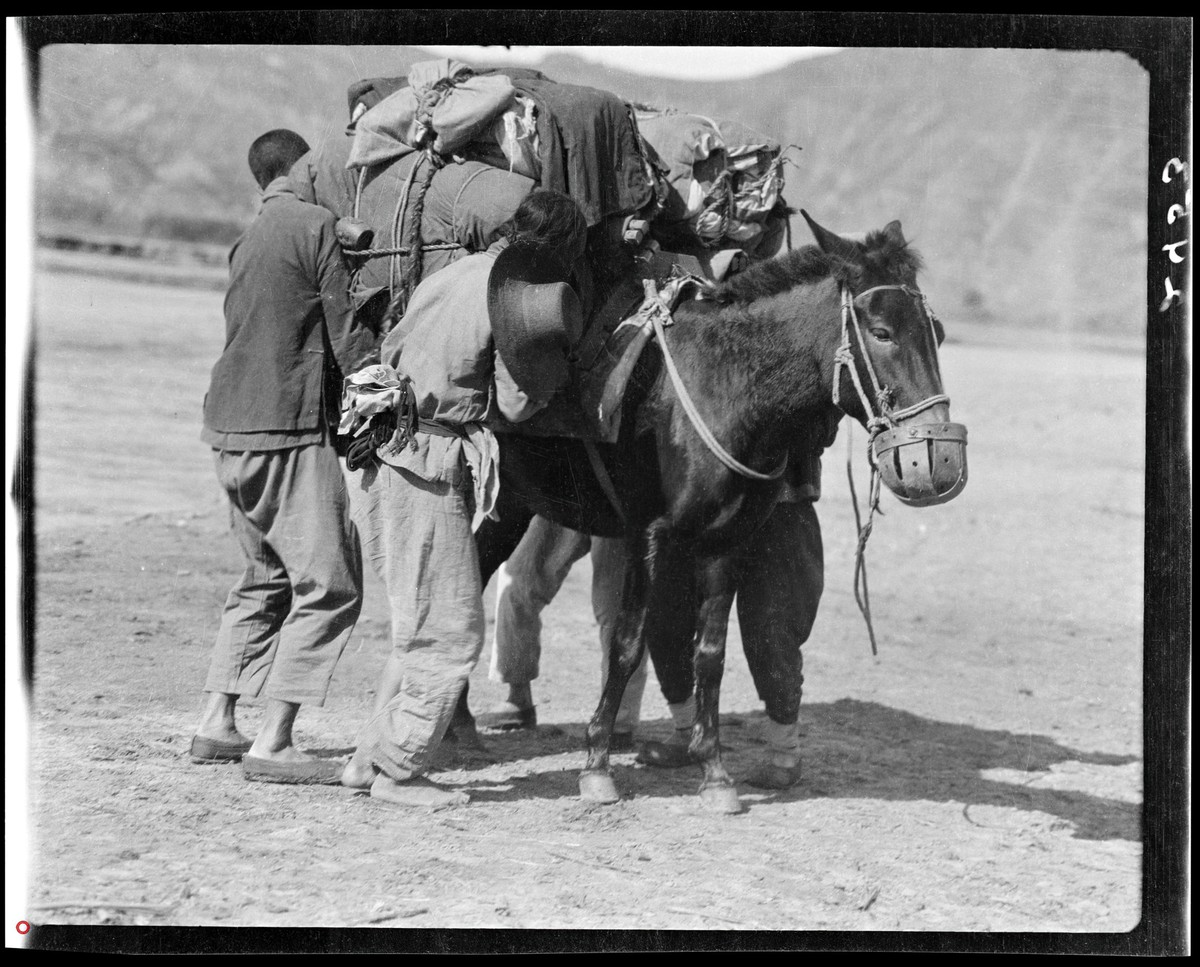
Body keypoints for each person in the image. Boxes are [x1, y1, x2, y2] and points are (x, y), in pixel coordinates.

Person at [339, 189, 589, 809]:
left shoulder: (453, 272)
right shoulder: (511, 299)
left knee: (413, 626)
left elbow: (396, 347)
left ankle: (369, 755)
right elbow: (511, 403)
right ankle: (399, 774)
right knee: (450, 631)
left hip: (378, 448)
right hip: (428, 462)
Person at [190, 129, 375, 784]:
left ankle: (218, 719)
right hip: (283, 431)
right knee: (332, 585)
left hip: (227, 431)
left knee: (265, 576)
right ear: (302, 168)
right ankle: (276, 739)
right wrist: (385, 384)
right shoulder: (316, 222)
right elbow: (347, 336)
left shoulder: (252, 235)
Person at [479, 519, 649, 752]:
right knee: (517, 578)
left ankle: (618, 721)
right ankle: (518, 697)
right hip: (567, 494)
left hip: (616, 502)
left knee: (616, 603)